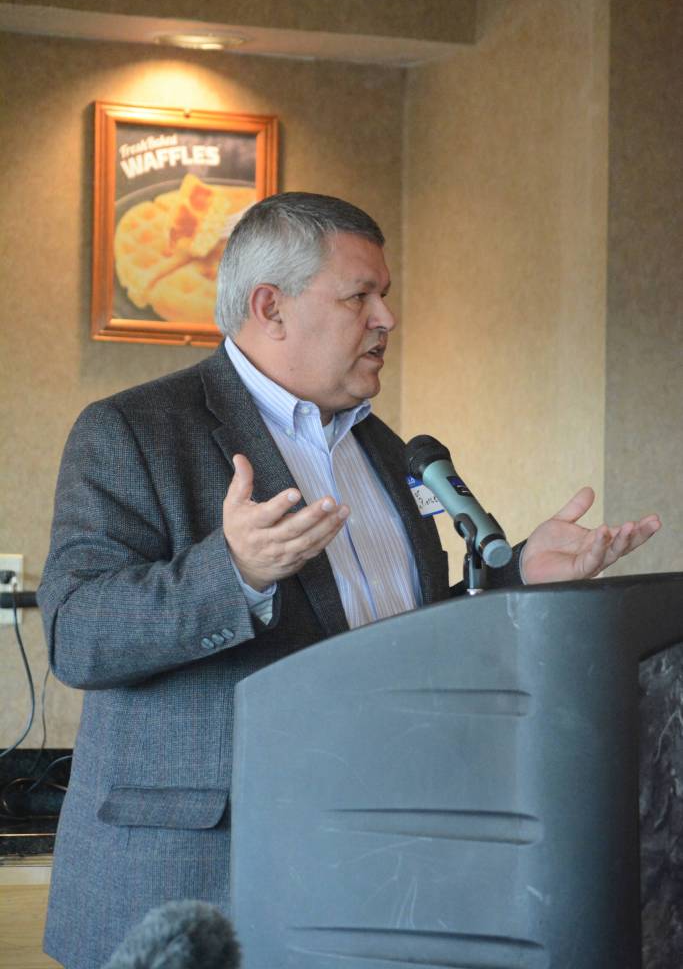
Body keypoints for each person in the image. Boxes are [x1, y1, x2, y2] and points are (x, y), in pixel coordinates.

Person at [38, 193, 660, 969]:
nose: (386, 319)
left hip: (371, 871)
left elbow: (398, 638)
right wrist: (233, 573)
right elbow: (77, 634)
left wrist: (522, 573)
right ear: (271, 307)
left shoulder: (387, 451)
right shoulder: (134, 429)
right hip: (197, 875)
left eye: (384, 296)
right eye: (359, 295)